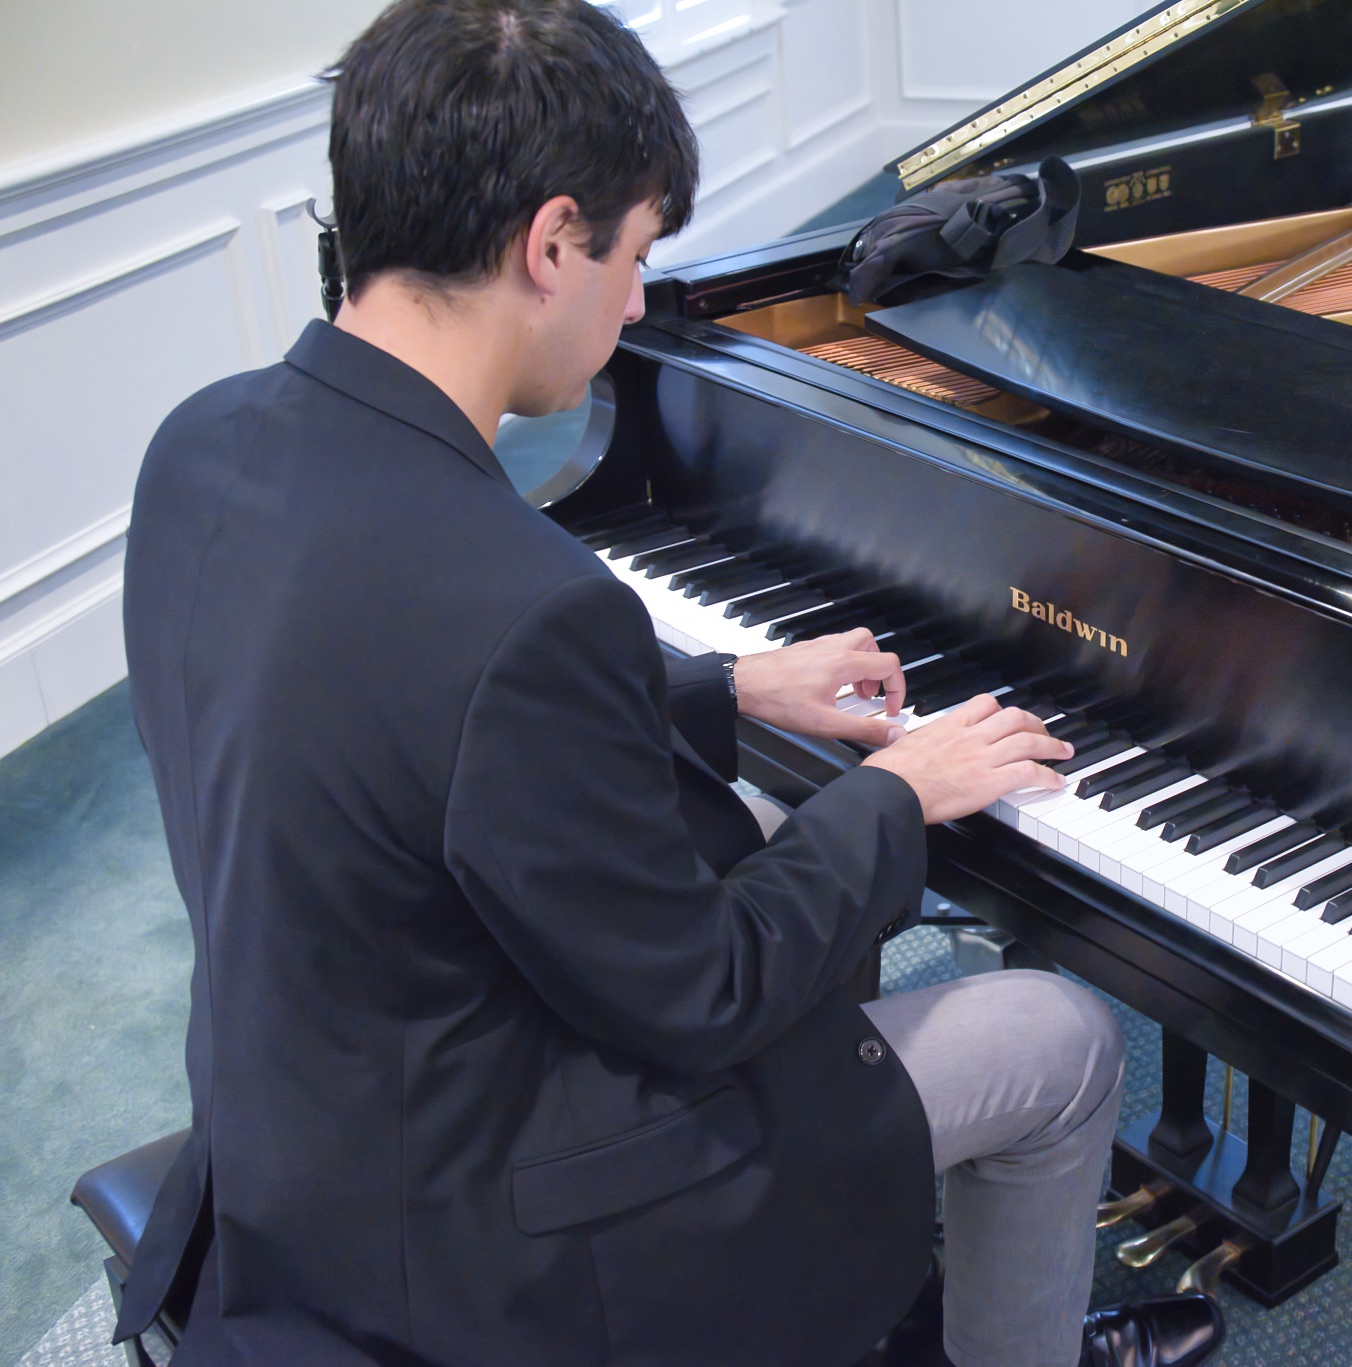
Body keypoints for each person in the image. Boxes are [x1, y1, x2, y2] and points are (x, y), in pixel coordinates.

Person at [114, 2, 1227, 1365]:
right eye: (635, 255)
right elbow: (708, 990)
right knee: (1057, 1038)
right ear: (549, 244)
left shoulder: (200, 445)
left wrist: (731, 687)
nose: (639, 302)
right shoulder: (521, 604)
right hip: (490, 1248)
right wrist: (898, 790)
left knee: (752, 827)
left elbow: (408, 715)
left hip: (311, 1121)